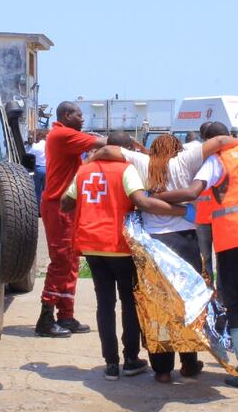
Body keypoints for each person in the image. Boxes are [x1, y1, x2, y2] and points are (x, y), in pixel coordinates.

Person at [89, 129, 238, 383]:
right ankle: (189, 364)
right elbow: (222, 140)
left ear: (153, 150)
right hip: (185, 241)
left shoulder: (142, 162)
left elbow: (105, 150)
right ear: (177, 149)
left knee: (157, 306)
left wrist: (87, 162)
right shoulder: (186, 159)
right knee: (188, 303)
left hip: (154, 243)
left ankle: (161, 370)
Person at [152, 121, 238, 391]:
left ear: (209, 142)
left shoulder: (217, 159)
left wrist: (160, 195)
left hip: (234, 238)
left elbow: (191, 192)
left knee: (235, 304)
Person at [61, 131, 188, 381]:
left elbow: (65, 203)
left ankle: (110, 364)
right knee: (129, 303)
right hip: (119, 245)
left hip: (92, 245)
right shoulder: (126, 169)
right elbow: (142, 201)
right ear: (126, 150)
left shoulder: (84, 171)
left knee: (105, 304)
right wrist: (179, 211)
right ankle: (130, 359)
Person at [35, 101, 106, 338]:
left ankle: (65, 314)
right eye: (79, 114)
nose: (83, 118)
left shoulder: (63, 136)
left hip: (67, 204)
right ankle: (46, 318)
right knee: (61, 260)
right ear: (67, 115)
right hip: (58, 205)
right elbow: (104, 143)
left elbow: (78, 170)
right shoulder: (63, 134)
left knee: (72, 260)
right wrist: (122, 145)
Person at [193, 122, 215, 281]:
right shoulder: (195, 156)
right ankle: (209, 292)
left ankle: (219, 293)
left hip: (219, 217)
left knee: (218, 258)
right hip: (203, 216)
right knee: (205, 258)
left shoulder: (224, 155)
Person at [27, 130, 48, 205]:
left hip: (38, 169)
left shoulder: (35, 146)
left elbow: (28, 153)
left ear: (38, 137)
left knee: (37, 190)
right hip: (47, 169)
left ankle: (38, 208)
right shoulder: (49, 145)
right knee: (46, 190)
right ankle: (46, 207)